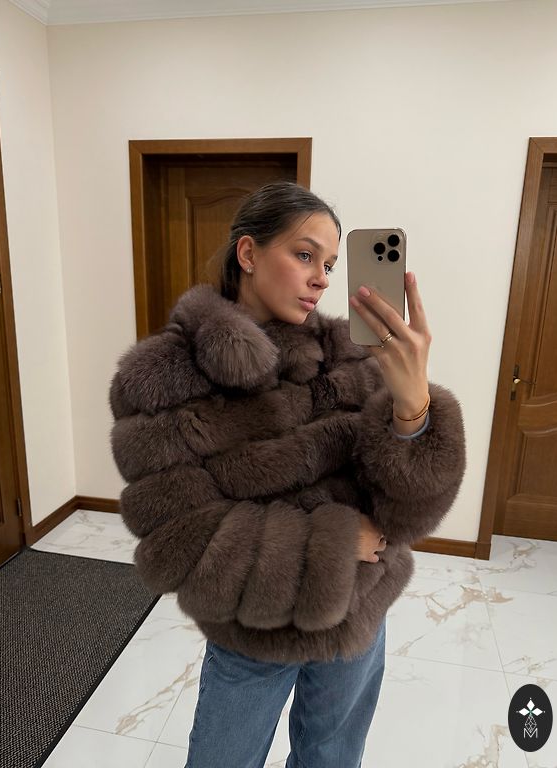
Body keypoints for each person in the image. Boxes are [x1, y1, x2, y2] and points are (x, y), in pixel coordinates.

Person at [108, 182, 466, 768]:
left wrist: (413, 406)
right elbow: (178, 538)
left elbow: (404, 513)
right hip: (254, 635)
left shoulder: (350, 356)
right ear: (248, 253)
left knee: (332, 758)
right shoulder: (161, 378)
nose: (322, 279)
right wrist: (333, 545)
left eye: (330, 264)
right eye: (305, 255)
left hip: (357, 618)